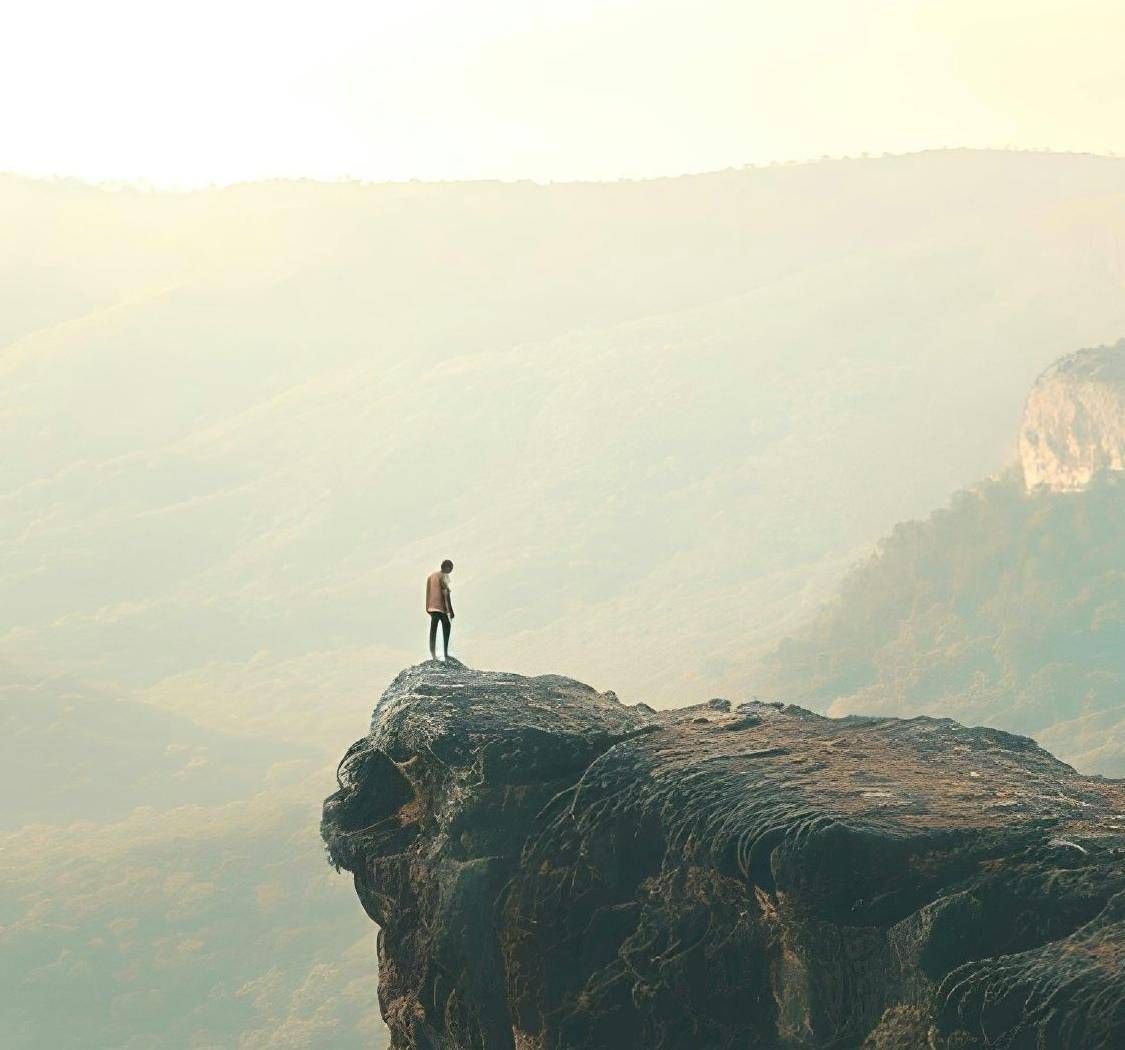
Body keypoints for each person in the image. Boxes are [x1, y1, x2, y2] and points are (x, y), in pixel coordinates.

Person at [426, 560, 455, 660]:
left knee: (433, 630)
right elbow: (445, 594)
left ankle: (433, 655)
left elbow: (428, 592)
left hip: (431, 607)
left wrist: (428, 608)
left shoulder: (431, 576)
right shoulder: (444, 576)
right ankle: (446, 654)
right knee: (446, 626)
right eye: (450, 568)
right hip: (440, 608)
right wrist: (450, 610)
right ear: (446, 567)